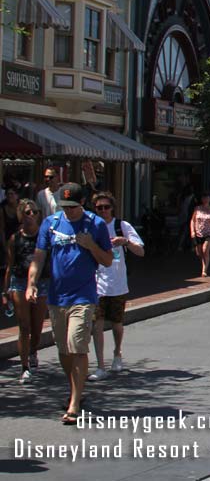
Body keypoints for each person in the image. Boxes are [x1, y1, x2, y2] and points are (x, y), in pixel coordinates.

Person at [27, 182, 113, 424]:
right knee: (64, 350)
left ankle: (74, 403)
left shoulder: (94, 224)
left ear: (82, 203)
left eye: (73, 207)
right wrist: (31, 283)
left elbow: (107, 260)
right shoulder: (51, 224)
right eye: (65, 206)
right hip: (56, 296)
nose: (69, 211)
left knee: (77, 346)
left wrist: (90, 245)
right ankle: (75, 387)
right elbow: (39, 256)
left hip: (83, 296)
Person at [88, 192, 145, 381]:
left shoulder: (122, 226)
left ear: (112, 207)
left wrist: (125, 242)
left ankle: (117, 353)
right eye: (99, 208)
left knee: (117, 324)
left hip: (118, 283)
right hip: (96, 283)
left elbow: (141, 252)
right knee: (96, 325)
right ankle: (100, 366)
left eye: (106, 207)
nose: (103, 211)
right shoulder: (92, 226)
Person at [3, 199, 47, 383]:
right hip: (19, 282)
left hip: (41, 283)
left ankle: (33, 351)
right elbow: (10, 266)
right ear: (22, 215)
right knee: (24, 326)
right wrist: (5, 292)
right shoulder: (15, 238)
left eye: (34, 212)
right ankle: (24, 367)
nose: (31, 216)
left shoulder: (44, 236)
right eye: (27, 212)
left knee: (37, 329)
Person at [189, 192, 210, 277]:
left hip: (209, 233)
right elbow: (192, 220)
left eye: (207, 198)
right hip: (199, 233)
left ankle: (204, 270)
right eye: (204, 198)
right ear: (202, 199)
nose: (206, 200)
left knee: (205, 249)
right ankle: (203, 264)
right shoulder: (197, 208)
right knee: (199, 252)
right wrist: (192, 231)